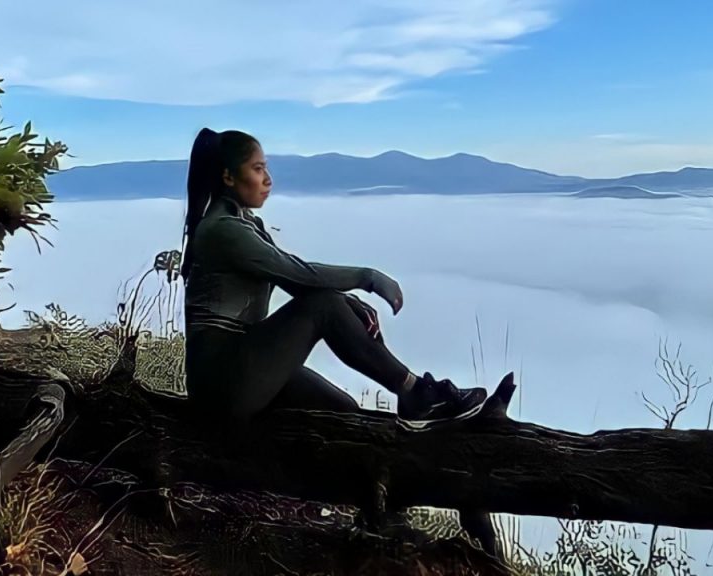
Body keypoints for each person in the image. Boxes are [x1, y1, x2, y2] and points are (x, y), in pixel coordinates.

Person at [180, 127, 487, 430]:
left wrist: (347, 303)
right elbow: (298, 272)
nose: (268, 179)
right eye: (258, 169)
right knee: (323, 306)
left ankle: (421, 417)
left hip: (237, 368)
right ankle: (415, 392)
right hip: (221, 381)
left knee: (344, 411)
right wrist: (367, 278)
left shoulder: (242, 224)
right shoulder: (224, 230)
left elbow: (296, 283)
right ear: (228, 177)